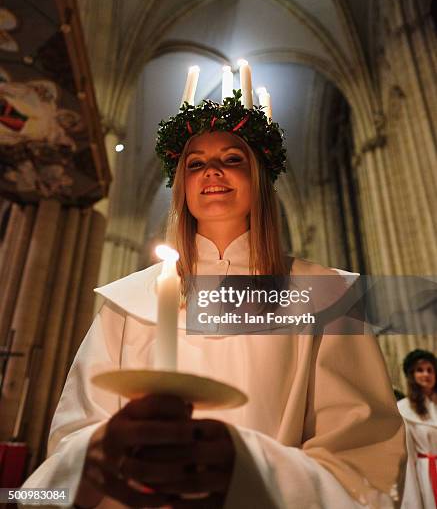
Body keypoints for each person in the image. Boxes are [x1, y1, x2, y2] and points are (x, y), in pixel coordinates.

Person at [22, 93, 406, 508]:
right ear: (182, 186)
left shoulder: (327, 296)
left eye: (233, 158)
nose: (213, 171)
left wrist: (250, 470)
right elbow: (68, 449)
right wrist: (94, 457)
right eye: (196, 163)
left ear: (260, 174)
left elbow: (362, 463)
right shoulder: (128, 303)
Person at [398, 349, 437, 508]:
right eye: (420, 370)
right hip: (424, 474)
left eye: (430, 370)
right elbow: (408, 456)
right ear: (411, 375)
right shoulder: (404, 409)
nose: (426, 374)